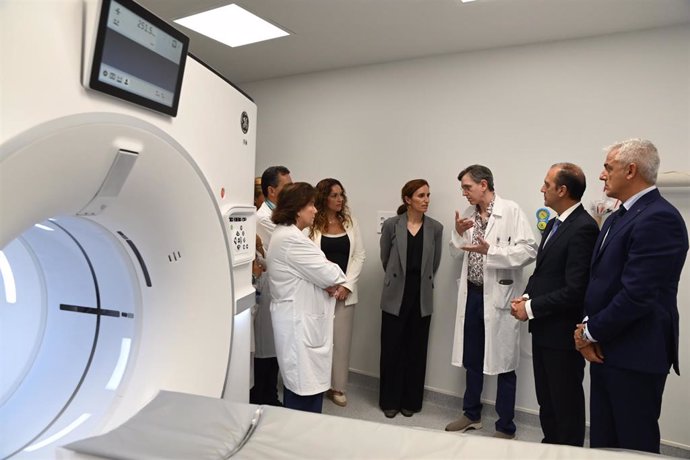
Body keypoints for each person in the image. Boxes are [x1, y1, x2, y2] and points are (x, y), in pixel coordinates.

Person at [574, 139, 688, 454]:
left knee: (632, 445)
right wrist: (589, 326)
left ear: (631, 170)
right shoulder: (616, 218)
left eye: (608, 168)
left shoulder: (659, 218)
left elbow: (638, 294)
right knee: (604, 442)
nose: (601, 175)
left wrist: (589, 331)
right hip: (606, 348)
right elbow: (600, 282)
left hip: (637, 353)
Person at [445, 164, 537, 439]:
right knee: (472, 357)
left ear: (484, 184)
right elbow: (454, 253)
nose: (464, 193)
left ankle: (506, 426)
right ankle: (471, 414)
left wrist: (492, 251)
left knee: (505, 361)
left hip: (499, 298)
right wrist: (458, 232)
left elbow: (529, 250)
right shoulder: (470, 216)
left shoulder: (510, 211)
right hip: (473, 294)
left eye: (467, 187)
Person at [510, 163, 598, 446]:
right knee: (547, 400)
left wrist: (532, 308)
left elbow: (575, 290)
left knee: (565, 404)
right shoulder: (554, 223)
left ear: (562, 190)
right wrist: (525, 298)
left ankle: (568, 451)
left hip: (562, 334)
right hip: (544, 329)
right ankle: (550, 447)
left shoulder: (583, 227)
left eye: (546, 184)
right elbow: (543, 273)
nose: (541, 189)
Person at [267, 182, 347, 413]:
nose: (315, 210)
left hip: (301, 321)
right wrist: (330, 279)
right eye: (311, 205)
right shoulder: (291, 240)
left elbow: (325, 274)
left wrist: (328, 278)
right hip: (299, 324)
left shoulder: (289, 235)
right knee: (303, 394)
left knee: (305, 388)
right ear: (297, 208)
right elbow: (332, 274)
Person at [379, 179, 443, 419]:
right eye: (421, 195)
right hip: (396, 293)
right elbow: (385, 259)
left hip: (421, 294)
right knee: (391, 349)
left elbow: (433, 264)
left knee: (417, 350)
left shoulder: (435, 228)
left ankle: (411, 401)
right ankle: (389, 401)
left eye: (428, 195)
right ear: (407, 199)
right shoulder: (392, 225)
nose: (426, 200)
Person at [309, 178, 366, 407]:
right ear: (323, 197)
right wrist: (327, 283)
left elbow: (359, 255)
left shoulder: (350, 222)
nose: (340, 199)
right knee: (317, 340)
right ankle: (316, 384)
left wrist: (345, 286)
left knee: (341, 342)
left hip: (344, 293)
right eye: (334, 195)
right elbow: (309, 260)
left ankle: (337, 387)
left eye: (341, 194)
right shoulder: (311, 225)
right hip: (318, 291)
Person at [250, 166, 292, 406]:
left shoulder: (280, 217)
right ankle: (264, 397)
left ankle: (270, 394)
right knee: (266, 346)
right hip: (266, 286)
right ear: (271, 191)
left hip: (277, 285)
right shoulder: (264, 218)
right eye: (287, 187)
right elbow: (291, 244)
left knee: (275, 344)